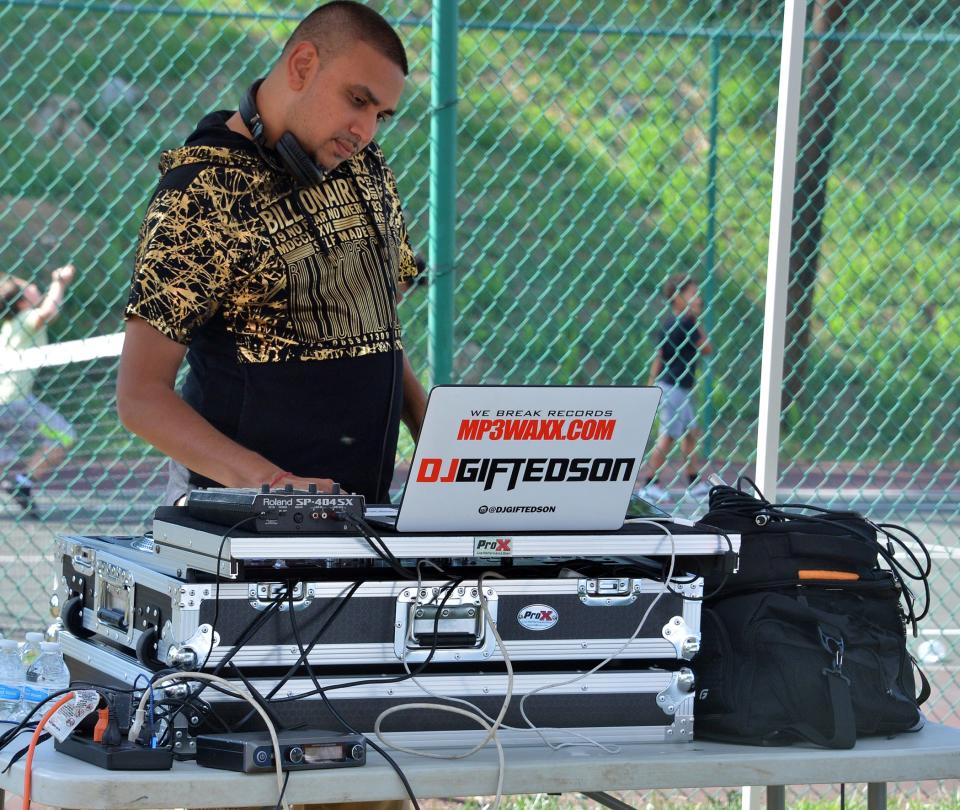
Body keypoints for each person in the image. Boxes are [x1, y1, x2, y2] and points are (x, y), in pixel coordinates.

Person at [117, 1, 428, 508]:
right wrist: (275, 486)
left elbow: (377, 328)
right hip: (240, 532)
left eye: (381, 116)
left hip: (362, 519)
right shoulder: (202, 190)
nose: (366, 131)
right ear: (303, 65)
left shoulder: (367, 167)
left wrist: (436, 438)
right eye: (356, 100)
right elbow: (140, 398)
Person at [0, 264, 78, 517]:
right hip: (16, 402)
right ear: (22, 302)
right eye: (29, 289)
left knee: (6, 452)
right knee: (64, 435)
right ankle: (22, 483)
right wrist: (59, 282)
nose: (35, 287)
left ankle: (20, 482)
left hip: (8, 402)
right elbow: (48, 310)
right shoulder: (24, 320)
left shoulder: (9, 326)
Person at [641, 274, 712, 501]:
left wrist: (651, 383)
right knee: (669, 435)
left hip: (675, 386)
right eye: (692, 293)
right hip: (674, 386)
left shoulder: (671, 323)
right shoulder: (686, 324)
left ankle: (693, 482)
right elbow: (707, 347)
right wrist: (697, 319)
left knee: (690, 433)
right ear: (678, 297)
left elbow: (659, 356)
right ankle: (649, 483)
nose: (698, 298)